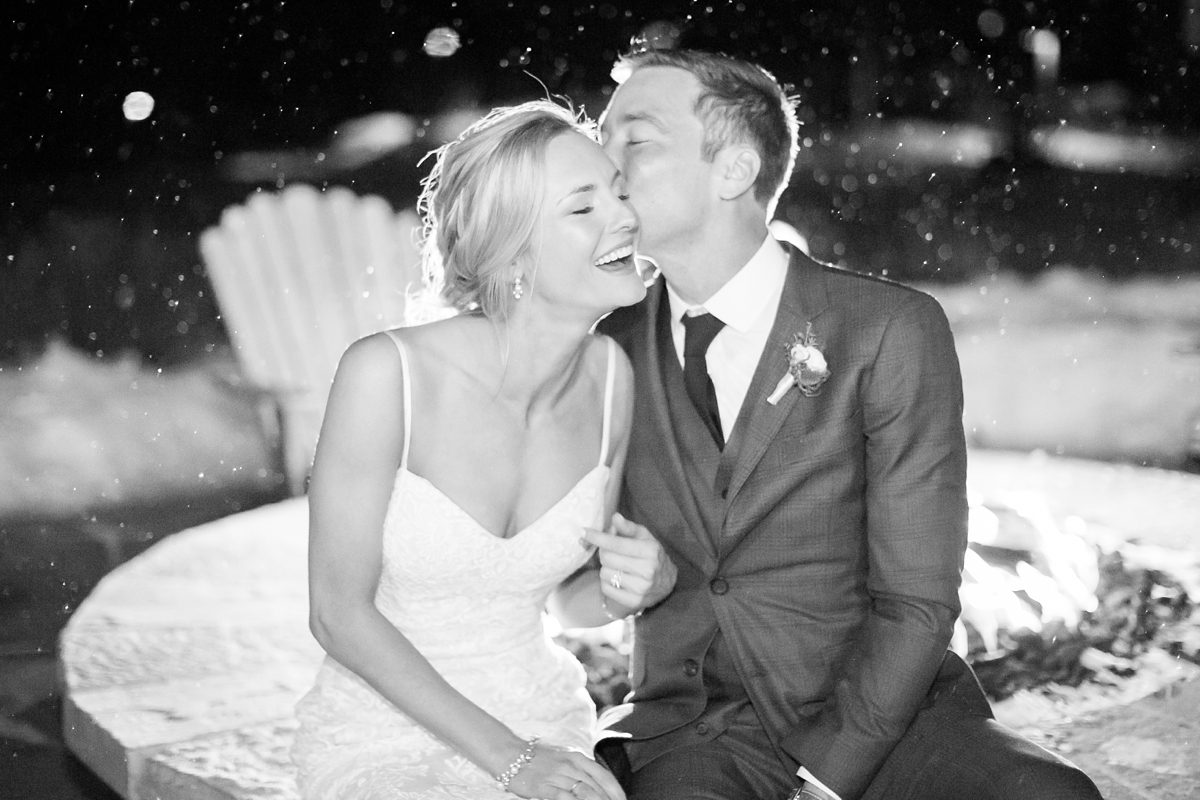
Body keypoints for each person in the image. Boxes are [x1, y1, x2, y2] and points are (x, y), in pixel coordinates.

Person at [591, 48, 1103, 800]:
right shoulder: (603, 346)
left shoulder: (888, 329)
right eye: (599, 142)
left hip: (886, 718)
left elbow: (916, 600)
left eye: (632, 141)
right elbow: (550, 561)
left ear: (732, 172)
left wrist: (827, 782)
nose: (604, 167)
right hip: (696, 730)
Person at [290, 100, 677, 800]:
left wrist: (639, 588)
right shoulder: (387, 376)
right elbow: (337, 614)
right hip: (383, 728)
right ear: (511, 250)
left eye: (619, 193)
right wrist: (513, 762)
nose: (625, 217)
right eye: (582, 208)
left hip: (538, 709)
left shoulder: (612, 381)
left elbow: (564, 604)